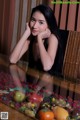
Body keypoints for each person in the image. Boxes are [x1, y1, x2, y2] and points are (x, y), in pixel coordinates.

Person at [9, 4, 59, 73]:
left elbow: (47, 66)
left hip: (52, 81)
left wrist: (39, 38)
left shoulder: (52, 38)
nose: (35, 26)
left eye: (41, 22)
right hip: (32, 78)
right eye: (33, 20)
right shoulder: (30, 38)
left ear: (49, 25)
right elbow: (12, 60)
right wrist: (26, 33)